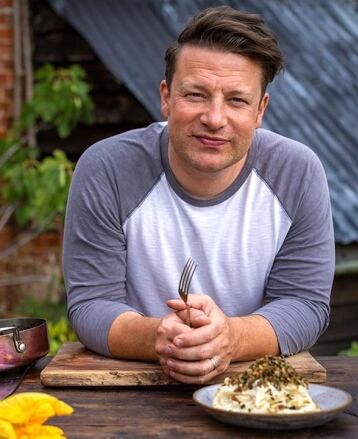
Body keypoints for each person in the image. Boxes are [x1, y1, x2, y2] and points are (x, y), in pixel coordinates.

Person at [62, 6, 334, 384]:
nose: (214, 118)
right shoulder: (107, 169)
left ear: (260, 111)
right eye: (196, 94)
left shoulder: (297, 172)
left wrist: (231, 337)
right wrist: (161, 336)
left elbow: (305, 303)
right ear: (166, 97)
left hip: (256, 388)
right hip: (132, 386)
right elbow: (91, 304)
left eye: (237, 100)